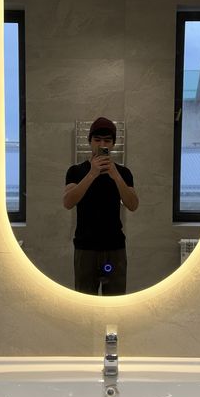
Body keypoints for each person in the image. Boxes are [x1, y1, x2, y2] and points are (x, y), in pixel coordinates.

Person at [63, 117, 139, 295]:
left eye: (107, 140)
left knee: (114, 302)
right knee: (84, 302)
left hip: (115, 248)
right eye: (97, 140)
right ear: (89, 141)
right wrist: (92, 173)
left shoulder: (123, 172)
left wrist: (115, 175)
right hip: (85, 248)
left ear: (113, 144)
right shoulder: (76, 171)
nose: (102, 144)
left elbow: (133, 204)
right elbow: (68, 202)